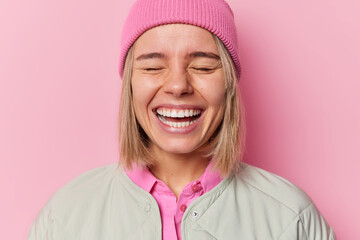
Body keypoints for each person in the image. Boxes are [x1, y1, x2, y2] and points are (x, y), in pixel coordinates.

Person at [28, 0, 336, 239]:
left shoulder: (292, 217)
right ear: (130, 85)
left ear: (228, 83)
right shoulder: (64, 218)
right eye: (152, 67)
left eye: (203, 67)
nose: (178, 85)